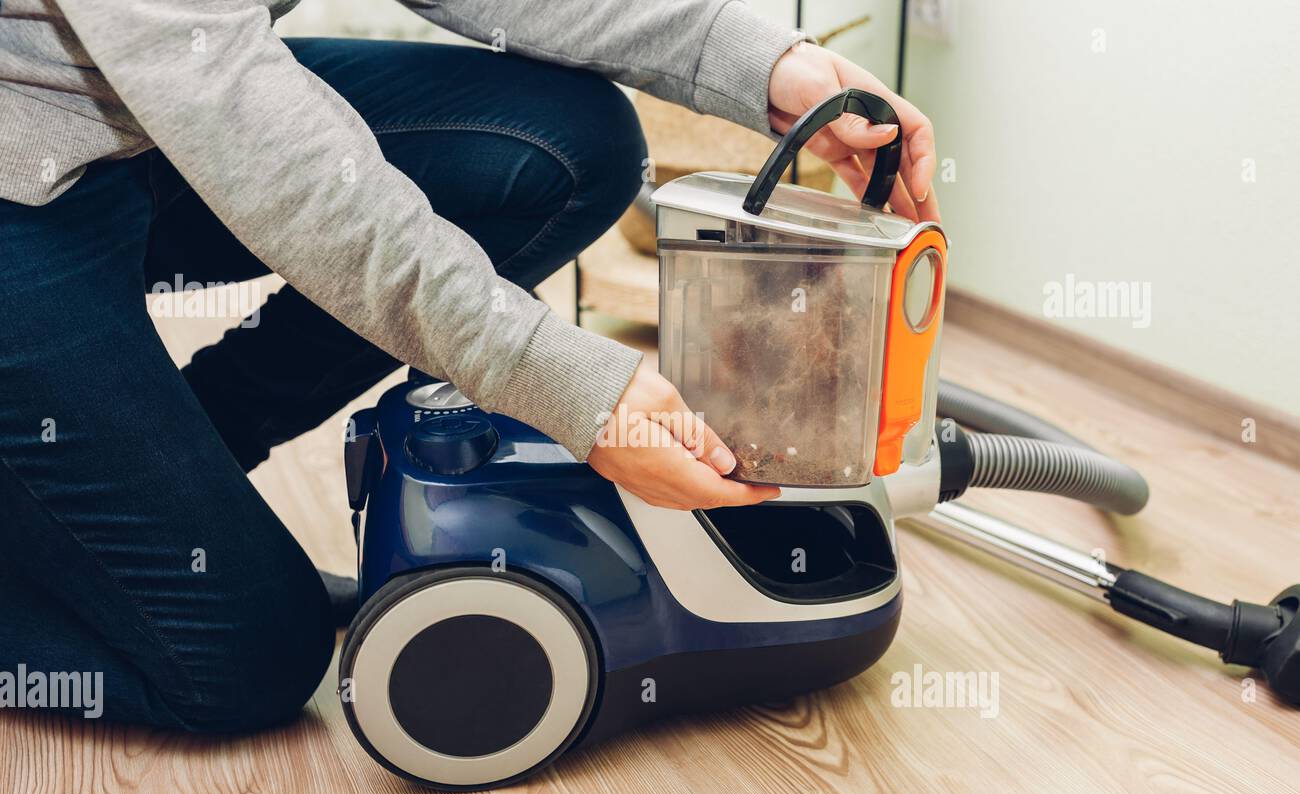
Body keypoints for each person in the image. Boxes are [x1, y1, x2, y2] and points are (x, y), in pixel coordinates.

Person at [0, 0, 939, 732]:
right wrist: (554, 376)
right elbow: (268, 158)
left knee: (567, 149)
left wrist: (766, 67)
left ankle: (153, 476)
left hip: (149, 125)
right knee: (246, 657)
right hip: (25, 182)